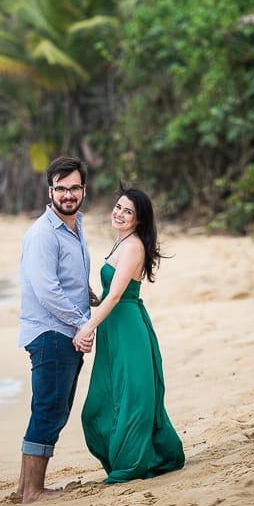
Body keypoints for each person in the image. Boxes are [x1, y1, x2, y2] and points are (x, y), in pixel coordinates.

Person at [74, 185, 185, 483]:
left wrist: (87, 327)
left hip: (128, 330)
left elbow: (117, 298)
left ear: (139, 219)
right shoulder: (122, 243)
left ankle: (134, 462)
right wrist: (92, 298)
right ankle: (126, 457)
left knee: (133, 397)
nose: (119, 214)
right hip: (116, 327)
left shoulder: (134, 245)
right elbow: (112, 294)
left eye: (128, 211)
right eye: (118, 207)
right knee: (104, 398)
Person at [17, 155, 94, 504]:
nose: (67, 194)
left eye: (73, 187)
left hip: (63, 331)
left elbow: (67, 279)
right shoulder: (44, 234)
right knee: (50, 409)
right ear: (50, 191)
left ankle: (23, 489)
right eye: (60, 188)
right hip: (52, 334)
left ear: (83, 189)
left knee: (50, 408)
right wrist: (82, 323)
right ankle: (34, 491)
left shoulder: (76, 227)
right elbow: (47, 289)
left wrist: (88, 295)